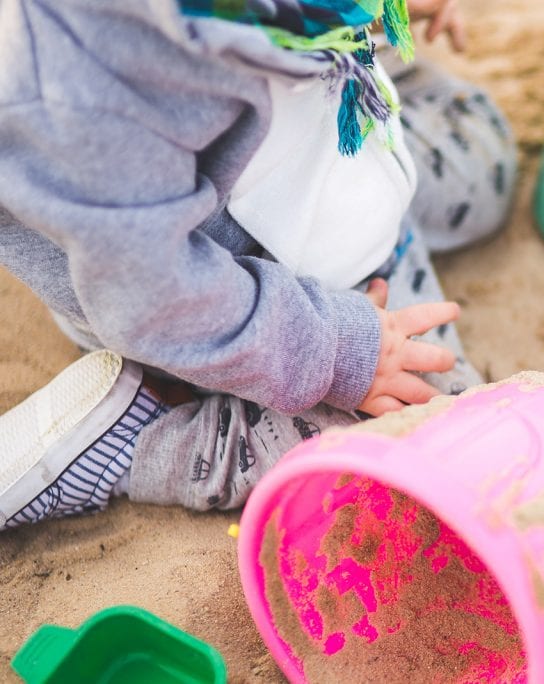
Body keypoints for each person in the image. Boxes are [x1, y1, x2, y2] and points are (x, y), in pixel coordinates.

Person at [0, 0, 516, 529]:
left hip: (331, 155)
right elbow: (158, 302)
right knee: (439, 428)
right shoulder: (80, 82)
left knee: (484, 160)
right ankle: (141, 441)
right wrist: (339, 353)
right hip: (241, 304)